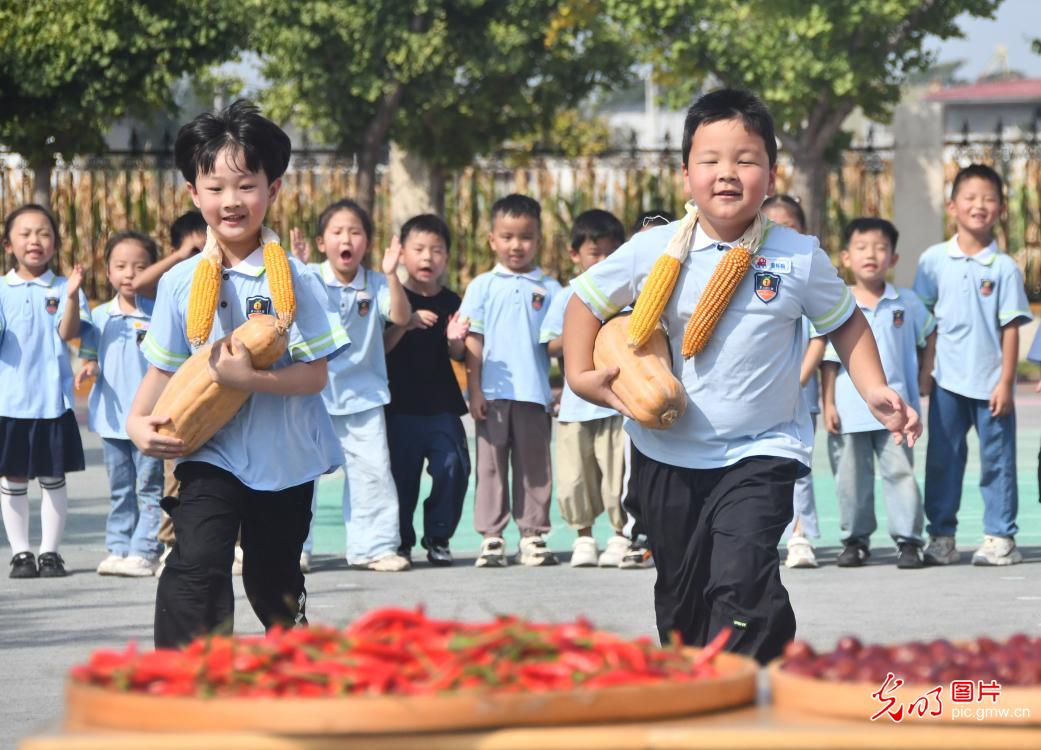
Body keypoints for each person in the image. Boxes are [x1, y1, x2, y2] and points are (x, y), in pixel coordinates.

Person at [562, 88, 920, 664]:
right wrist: (581, 377)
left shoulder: (797, 255)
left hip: (762, 451)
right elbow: (583, 300)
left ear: (771, 175)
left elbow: (848, 323)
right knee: (682, 601)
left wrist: (876, 388)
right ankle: (742, 656)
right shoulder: (653, 249)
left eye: (745, 159)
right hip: (665, 454)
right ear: (686, 175)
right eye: (711, 160)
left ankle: (738, 684)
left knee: (739, 578)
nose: (727, 173)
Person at [126, 99, 348, 648]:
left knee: (272, 577)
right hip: (210, 449)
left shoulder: (296, 281)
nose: (231, 201)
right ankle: (187, 677)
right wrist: (136, 421)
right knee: (197, 562)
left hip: (285, 458)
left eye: (246, 185)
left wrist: (251, 381)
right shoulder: (181, 283)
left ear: (273, 190)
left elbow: (316, 375)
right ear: (193, 194)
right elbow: (163, 369)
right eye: (216, 187)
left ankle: (293, 655)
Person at [913, 163, 1032, 566]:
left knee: (997, 462)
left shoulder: (1003, 268)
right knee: (943, 460)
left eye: (988, 199)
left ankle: (1000, 536)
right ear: (952, 206)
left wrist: (1006, 382)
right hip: (947, 381)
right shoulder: (932, 261)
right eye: (970, 197)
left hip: (990, 382)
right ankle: (942, 537)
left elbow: (1012, 328)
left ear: (1000, 209)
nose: (979, 205)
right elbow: (928, 324)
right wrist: (924, 371)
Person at [298, 199, 412, 572]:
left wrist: (393, 274)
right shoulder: (309, 276)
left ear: (366, 242)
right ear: (321, 242)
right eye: (337, 231)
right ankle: (292, 548)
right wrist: (296, 271)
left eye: (356, 232)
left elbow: (399, 316)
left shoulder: (377, 281)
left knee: (373, 474)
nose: (346, 238)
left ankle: (374, 548)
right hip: (313, 396)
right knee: (300, 477)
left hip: (364, 397)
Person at [821, 218, 934, 569]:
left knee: (901, 474)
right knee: (850, 479)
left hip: (897, 412)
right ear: (845, 256)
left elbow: (930, 334)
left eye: (881, 247)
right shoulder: (837, 303)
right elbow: (828, 358)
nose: (871, 254)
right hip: (850, 410)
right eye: (862, 247)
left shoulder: (908, 302)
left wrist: (925, 375)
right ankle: (855, 541)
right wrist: (828, 402)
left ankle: (909, 541)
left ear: (894, 258)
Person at [460, 194, 562, 567]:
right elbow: (474, 340)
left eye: (525, 237)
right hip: (492, 394)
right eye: (507, 236)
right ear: (492, 239)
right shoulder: (482, 286)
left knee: (535, 466)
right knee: (490, 466)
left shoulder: (551, 289)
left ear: (538, 239)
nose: (516, 245)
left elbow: (558, 343)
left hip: (534, 393)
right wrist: (474, 390)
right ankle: (492, 536)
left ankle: (532, 535)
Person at [0, 204, 87, 579]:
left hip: (53, 401)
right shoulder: (2, 289)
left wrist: (70, 296)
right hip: (10, 401)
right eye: (25, 233)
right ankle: (21, 553)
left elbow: (69, 333)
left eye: (44, 233)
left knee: (53, 478)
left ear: (55, 242)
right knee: (13, 478)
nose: (35, 240)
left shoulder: (64, 286)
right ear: (8, 245)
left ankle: (50, 552)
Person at [541, 209, 631, 567]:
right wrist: (583, 332)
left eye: (612, 252)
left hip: (617, 404)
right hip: (577, 407)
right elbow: (549, 345)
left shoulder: (627, 297)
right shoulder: (569, 296)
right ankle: (584, 537)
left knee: (617, 476)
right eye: (595, 253)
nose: (603, 261)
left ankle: (620, 536)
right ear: (574, 254)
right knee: (574, 478)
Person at [76, 231, 166, 577]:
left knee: (149, 487)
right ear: (109, 271)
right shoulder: (100, 317)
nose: (129, 273)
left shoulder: (160, 314)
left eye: (140, 266)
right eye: (121, 266)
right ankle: (118, 545)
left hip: (148, 420)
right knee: (120, 488)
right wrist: (90, 367)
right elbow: (92, 356)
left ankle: (145, 549)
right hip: (112, 420)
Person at [383, 214, 471, 566]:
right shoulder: (391, 297)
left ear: (446, 258)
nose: (427, 258)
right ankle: (401, 541)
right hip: (397, 406)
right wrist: (407, 323)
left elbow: (459, 356)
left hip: (441, 406)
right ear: (402, 253)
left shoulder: (452, 301)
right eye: (418, 249)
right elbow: (381, 348)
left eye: (436, 250)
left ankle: (438, 536)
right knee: (400, 478)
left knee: (453, 465)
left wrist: (455, 342)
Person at [131, 209, 208, 575]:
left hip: (216, 394)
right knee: (174, 476)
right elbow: (137, 284)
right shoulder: (172, 283)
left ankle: (237, 544)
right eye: (192, 247)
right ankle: (169, 543)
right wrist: (182, 255)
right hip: (176, 401)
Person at [761, 194, 826, 569]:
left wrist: (795, 380)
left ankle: (800, 535)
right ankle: (767, 536)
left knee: (797, 466)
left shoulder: (806, 271)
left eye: (791, 225)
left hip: (799, 392)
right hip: (761, 397)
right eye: (773, 224)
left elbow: (820, 336)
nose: (782, 232)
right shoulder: (746, 269)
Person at [132, 211, 207, 299]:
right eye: (195, 250)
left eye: (208, 248)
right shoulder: (172, 284)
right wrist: (179, 255)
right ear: (174, 253)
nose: (202, 256)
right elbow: (138, 285)